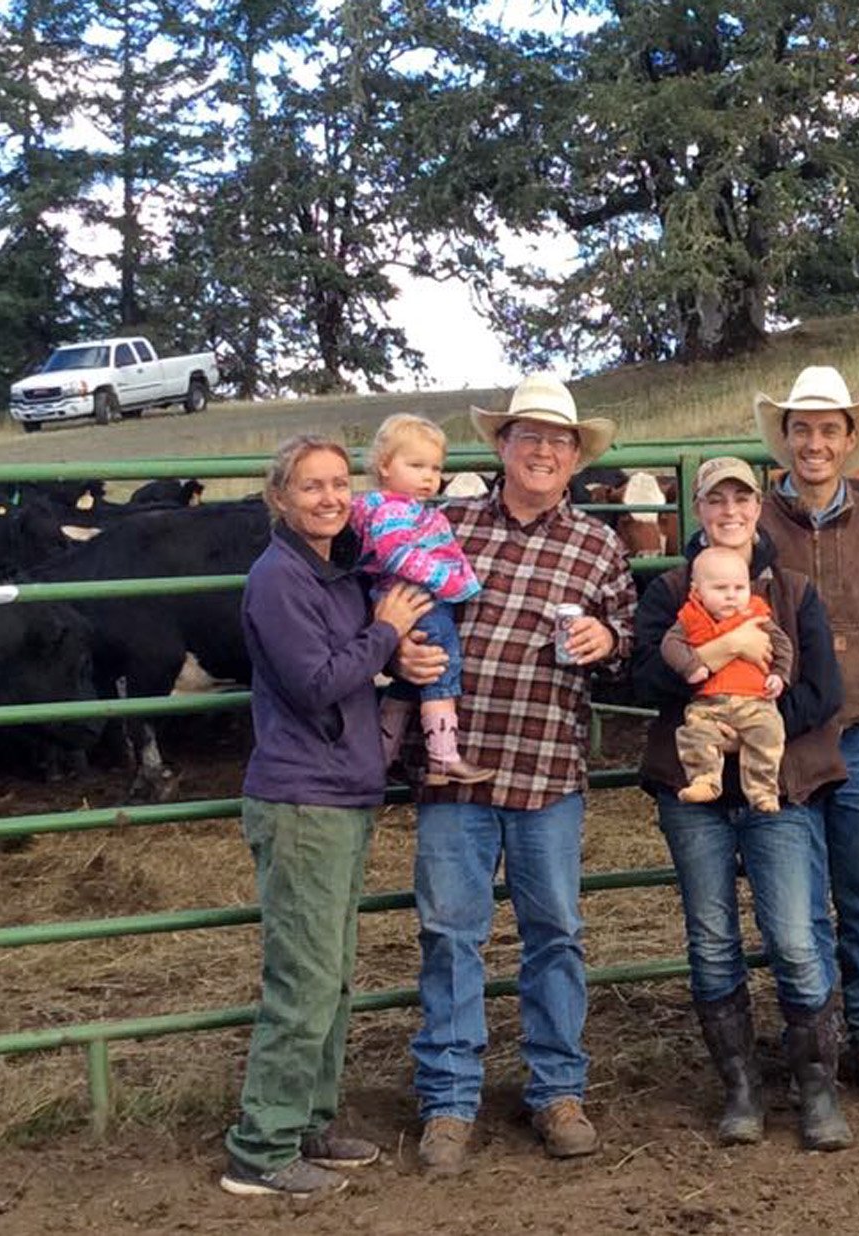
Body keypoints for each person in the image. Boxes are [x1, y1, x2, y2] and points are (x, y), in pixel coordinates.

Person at [411, 372, 637, 1176]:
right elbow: (400, 608)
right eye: (529, 436)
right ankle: (448, 1100)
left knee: (556, 936)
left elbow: (628, 654)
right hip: (456, 769)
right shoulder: (447, 525)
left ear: (577, 459)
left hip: (547, 766)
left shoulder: (600, 545)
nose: (544, 451)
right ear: (501, 445)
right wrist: (402, 650)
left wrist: (607, 645)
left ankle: (557, 1089)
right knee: (450, 934)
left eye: (559, 441)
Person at [220, 435, 432, 1199]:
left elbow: (355, 668)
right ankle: (262, 1146)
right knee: (304, 978)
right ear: (279, 497)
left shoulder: (334, 572)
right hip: (302, 797)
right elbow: (314, 683)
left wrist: (388, 645)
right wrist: (387, 631)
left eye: (340, 484)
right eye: (311, 487)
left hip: (340, 791)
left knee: (332, 975)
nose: (330, 498)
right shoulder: (279, 579)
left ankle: (309, 1118)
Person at [632, 456, 853, 1151]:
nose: (731, 510)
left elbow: (825, 690)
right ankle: (741, 1089)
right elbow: (642, 678)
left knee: (793, 933)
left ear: (760, 507)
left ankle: (816, 1088)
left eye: (742, 499)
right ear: (698, 508)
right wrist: (723, 651)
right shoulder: (670, 590)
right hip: (691, 786)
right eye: (716, 500)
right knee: (712, 940)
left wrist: (758, 709)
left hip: (776, 785)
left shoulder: (793, 590)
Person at [755, 364, 859, 1107]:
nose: (815, 443)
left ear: (851, 440)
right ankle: (819, 1047)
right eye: (802, 429)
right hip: (783, 740)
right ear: (785, 439)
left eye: (828, 430)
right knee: (799, 907)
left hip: (857, 734)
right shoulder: (752, 521)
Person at [356, 413, 491, 785]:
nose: (429, 477)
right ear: (384, 466)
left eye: (435, 468)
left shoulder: (385, 508)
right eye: (416, 465)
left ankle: (379, 756)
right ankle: (444, 756)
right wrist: (448, 580)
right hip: (419, 599)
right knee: (441, 672)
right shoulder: (394, 511)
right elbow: (397, 556)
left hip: (402, 597)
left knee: (406, 684)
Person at [661, 545, 793, 811]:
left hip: (755, 700)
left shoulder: (757, 615)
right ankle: (704, 779)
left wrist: (780, 675)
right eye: (721, 589)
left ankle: (763, 790)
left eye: (739, 588)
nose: (731, 596)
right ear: (697, 591)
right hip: (709, 702)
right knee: (694, 732)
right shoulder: (690, 617)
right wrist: (691, 667)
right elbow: (670, 645)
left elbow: (783, 646)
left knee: (769, 733)